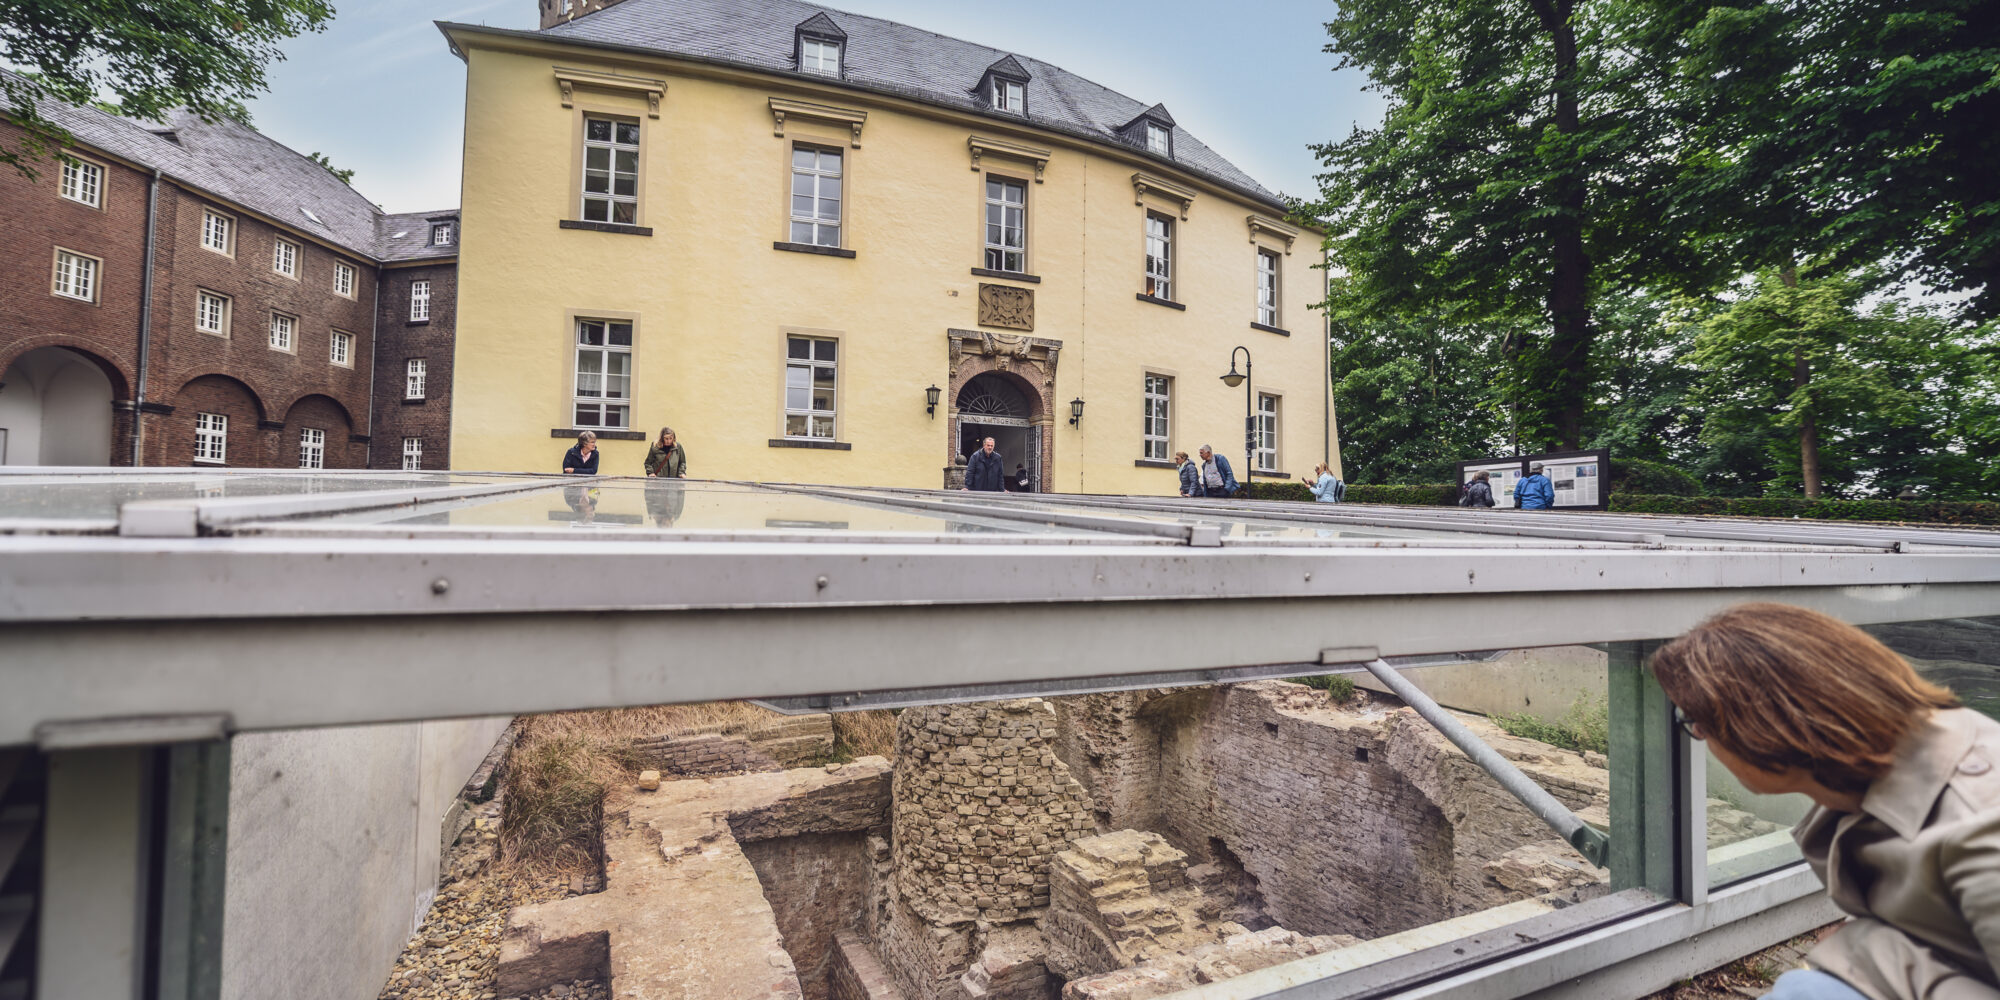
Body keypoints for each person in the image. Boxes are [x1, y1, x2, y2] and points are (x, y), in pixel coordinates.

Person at [1651, 604, 1995, 1000]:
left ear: (1763, 726)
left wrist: (1867, 955)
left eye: (1696, 722)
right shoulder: (1876, 768)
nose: (1699, 737)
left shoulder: (1979, 828)